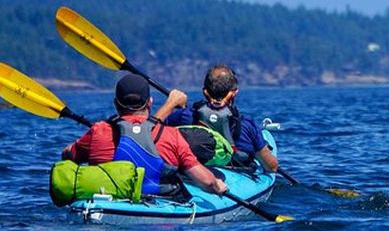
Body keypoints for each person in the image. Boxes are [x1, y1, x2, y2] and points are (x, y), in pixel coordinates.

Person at [62, 73, 228, 197]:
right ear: (149, 103)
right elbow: (205, 181)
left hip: (107, 201)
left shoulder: (98, 130)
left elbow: (68, 154)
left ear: (115, 104)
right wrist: (216, 185)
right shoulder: (170, 135)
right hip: (158, 206)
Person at [162, 64, 279, 173]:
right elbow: (271, 167)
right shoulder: (246, 125)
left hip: (193, 173)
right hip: (234, 173)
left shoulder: (183, 116)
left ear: (205, 92)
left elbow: (152, 127)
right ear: (234, 93)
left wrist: (172, 104)